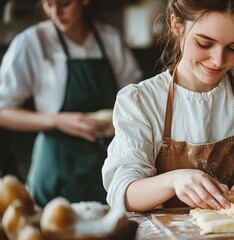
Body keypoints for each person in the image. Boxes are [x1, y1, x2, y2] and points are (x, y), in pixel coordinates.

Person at [102, 0, 234, 212]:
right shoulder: (142, 101)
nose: (218, 61)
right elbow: (123, 192)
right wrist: (175, 180)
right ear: (176, 25)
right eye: (204, 44)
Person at [0, 0, 142, 206]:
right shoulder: (32, 42)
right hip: (56, 165)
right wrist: (56, 121)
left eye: (65, 4)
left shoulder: (110, 39)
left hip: (106, 162)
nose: (56, 13)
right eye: (49, 4)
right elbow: (3, 110)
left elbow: (135, 99)